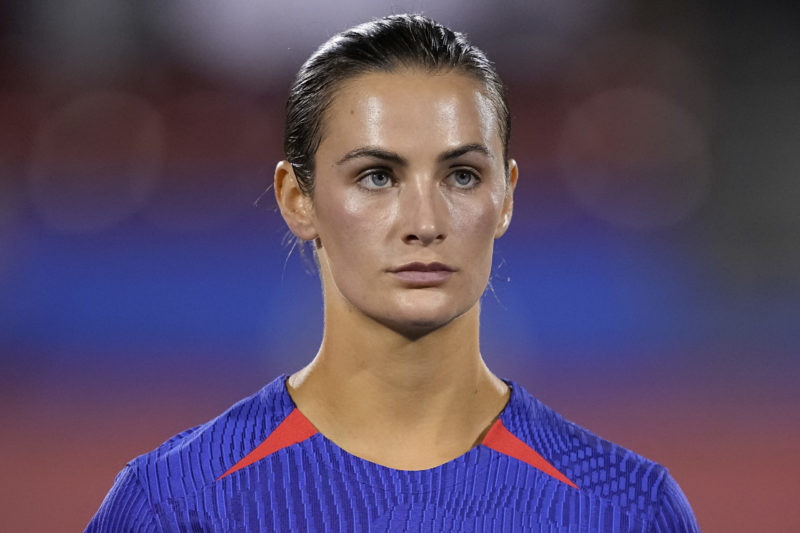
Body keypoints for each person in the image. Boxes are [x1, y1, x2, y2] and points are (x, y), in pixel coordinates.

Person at [87, 14, 699, 532]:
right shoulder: (175, 505)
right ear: (297, 199)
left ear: (506, 197)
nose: (424, 222)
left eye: (461, 175)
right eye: (377, 176)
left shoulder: (625, 509)